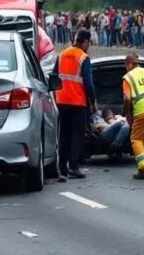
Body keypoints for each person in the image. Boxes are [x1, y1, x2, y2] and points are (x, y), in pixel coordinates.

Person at [53, 29, 97, 180]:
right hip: (78, 102)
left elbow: (54, 78)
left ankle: (62, 169)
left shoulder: (61, 55)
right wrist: (93, 101)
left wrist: (55, 96)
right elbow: (89, 84)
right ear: (84, 42)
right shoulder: (83, 57)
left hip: (61, 101)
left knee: (63, 134)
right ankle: (74, 167)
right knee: (77, 135)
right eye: (88, 44)